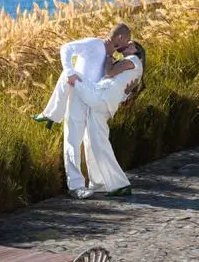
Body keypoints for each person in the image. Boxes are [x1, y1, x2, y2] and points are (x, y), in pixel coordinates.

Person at [32, 24, 132, 196]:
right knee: (73, 139)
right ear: (120, 37)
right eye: (127, 40)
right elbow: (66, 48)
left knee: (92, 142)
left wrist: (125, 94)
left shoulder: (111, 60)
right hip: (77, 98)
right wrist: (69, 72)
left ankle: (97, 183)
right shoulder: (94, 44)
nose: (127, 44)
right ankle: (76, 187)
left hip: (94, 104)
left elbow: (110, 85)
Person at [66, 40, 146, 199]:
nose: (127, 44)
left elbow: (109, 73)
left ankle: (119, 184)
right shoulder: (131, 65)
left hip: (101, 99)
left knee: (70, 75)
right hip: (105, 102)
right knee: (93, 142)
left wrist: (109, 55)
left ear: (136, 50)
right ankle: (99, 183)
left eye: (130, 44)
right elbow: (123, 91)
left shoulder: (133, 60)